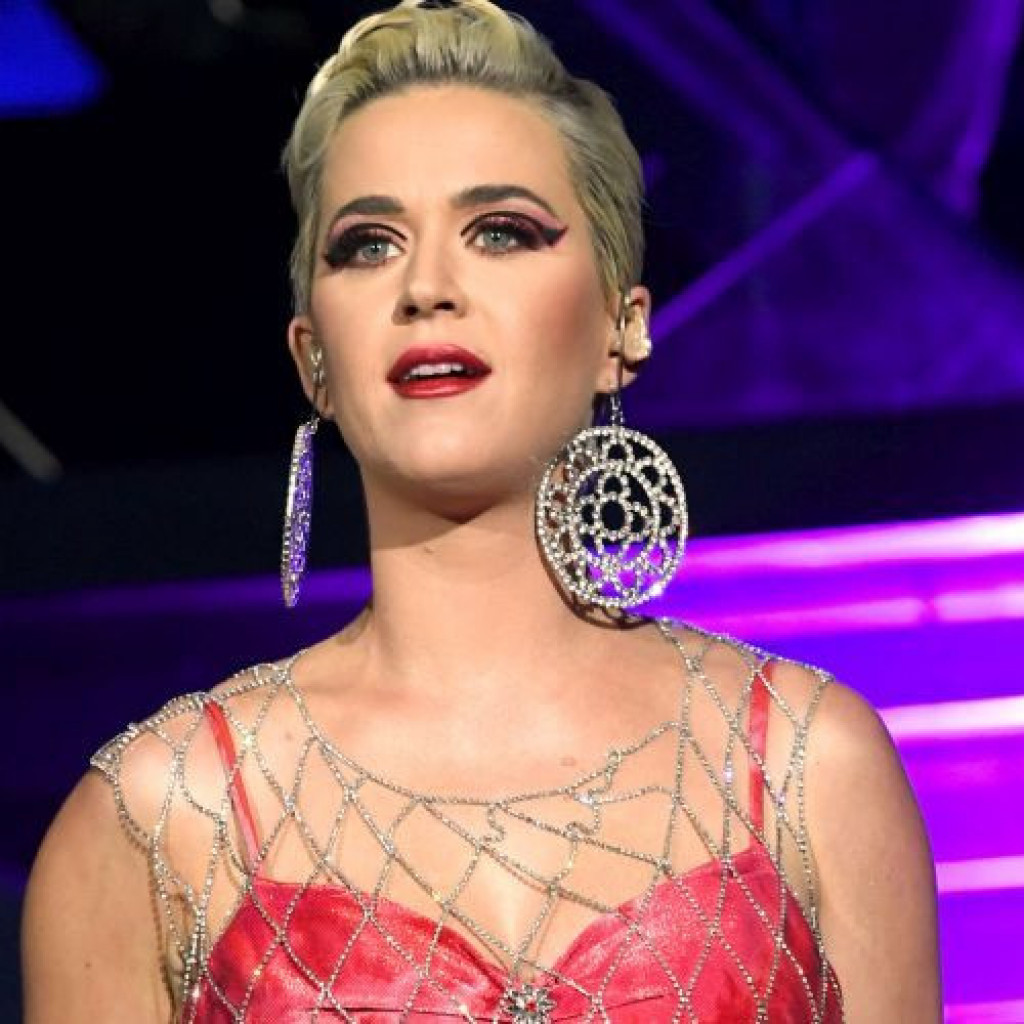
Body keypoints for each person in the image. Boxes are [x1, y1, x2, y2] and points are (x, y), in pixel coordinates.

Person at [22, 1, 941, 1020]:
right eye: (368, 245)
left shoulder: (809, 768)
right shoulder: (156, 822)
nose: (426, 286)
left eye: (500, 232)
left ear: (621, 328)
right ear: (313, 358)